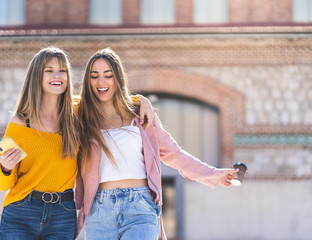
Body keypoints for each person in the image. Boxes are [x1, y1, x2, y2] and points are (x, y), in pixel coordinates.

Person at [75, 48, 239, 240]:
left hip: (139, 208)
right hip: (99, 210)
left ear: (117, 79)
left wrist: (214, 174)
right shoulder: (80, 118)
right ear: (88, 81)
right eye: (94, 76)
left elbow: (175, 155)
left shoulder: (141, 117)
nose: (101, 82)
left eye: (108, 75)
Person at [0, 46, 154, 240]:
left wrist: (142, 101)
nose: (57, 75)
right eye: (49, 70)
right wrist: (5, 168)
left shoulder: (77, 114)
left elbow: (111, 99)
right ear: (37, 76)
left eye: (62, 70)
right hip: (22, 211)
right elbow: (4, 184)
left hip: (62, 214)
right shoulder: (20, 122)